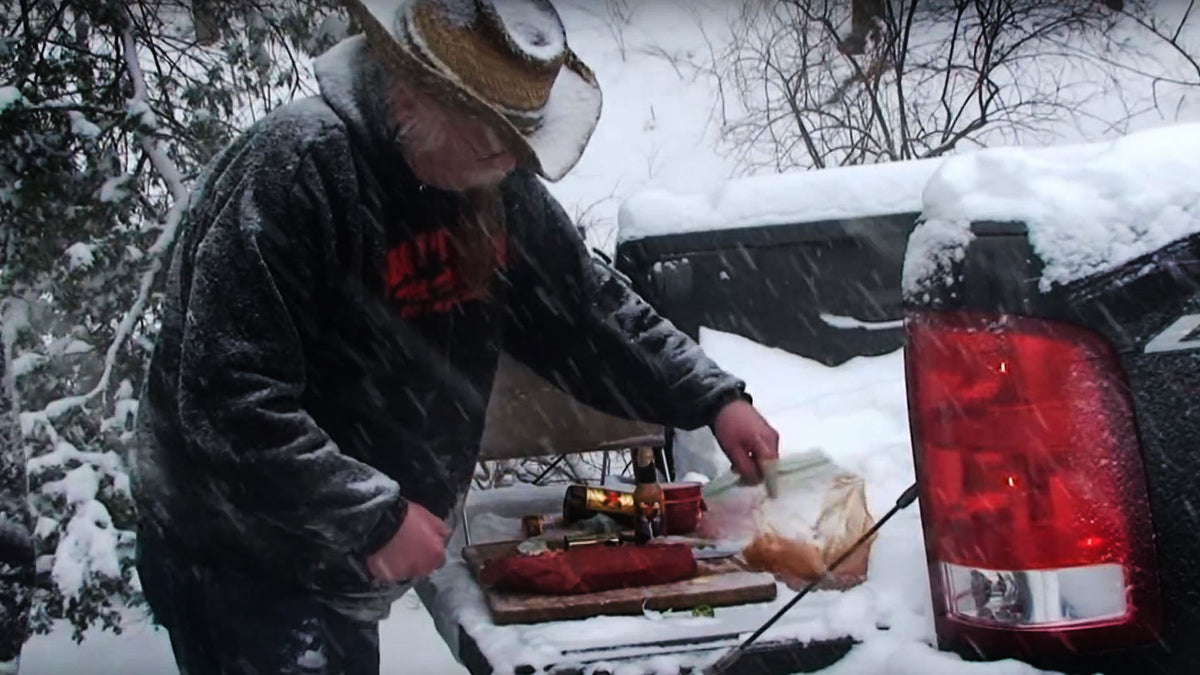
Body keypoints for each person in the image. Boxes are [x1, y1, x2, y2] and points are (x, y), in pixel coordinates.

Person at [130, 0, 780, 672]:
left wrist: (710, 397)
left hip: (337, 550)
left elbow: (584, 308)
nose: (506, 162)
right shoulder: (296, 173)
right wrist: (370, 515)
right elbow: (228, 401)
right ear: (411, 99)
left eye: (518, 140)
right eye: (488, 139)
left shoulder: (487, 181)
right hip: (240, 553)